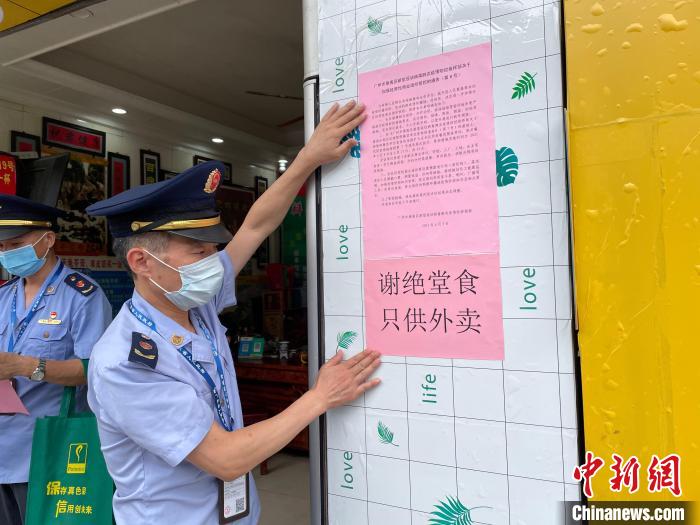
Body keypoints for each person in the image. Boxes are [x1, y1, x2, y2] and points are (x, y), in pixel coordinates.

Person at [86, 100, 380, 524]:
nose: (214, 261)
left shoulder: (195, 303)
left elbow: (256, 227)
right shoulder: (124, 362)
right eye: (198, 252)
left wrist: (307, 158)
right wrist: (319, 398)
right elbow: (223, 458)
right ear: (141, 262)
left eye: (213, 249)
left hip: (236, 514)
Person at [0, 195, 112, 525]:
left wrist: (26, 366)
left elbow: (96, 371)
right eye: (1, 246)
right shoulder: (4, 296)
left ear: (47, 240)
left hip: (48, 446)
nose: (7, 253)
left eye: (15, 243)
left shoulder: (82, 296)